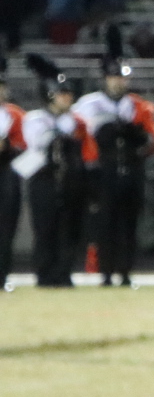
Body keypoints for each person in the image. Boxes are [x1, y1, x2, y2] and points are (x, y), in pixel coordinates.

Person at [73, 29, 154, 285]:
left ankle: (125, 271)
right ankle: (106, 272)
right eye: (112, 77)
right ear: (104, 78)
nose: (117, 83)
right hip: (103, 172)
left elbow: (153, 139)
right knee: (104, 225)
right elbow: (80, 138)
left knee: (129, 225)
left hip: (131, 170)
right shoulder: (88, 105)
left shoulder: (138, 105)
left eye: (121, 78)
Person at [18, 57, 95, 286]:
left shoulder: (76, 121)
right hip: (44, 180)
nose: (68, 97)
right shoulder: (35, 119)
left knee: (69, 230)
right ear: (50, 94)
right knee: (46, 230)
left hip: (70, 180)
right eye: (63, 93)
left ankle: (64, 274)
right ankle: (45, 275)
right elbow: (37, 145)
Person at [0, 66, 25, 287]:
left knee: (6, 228)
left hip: (7, 171)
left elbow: (26, 145)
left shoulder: (15, 114)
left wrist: (8, 146)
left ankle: (3, 276)